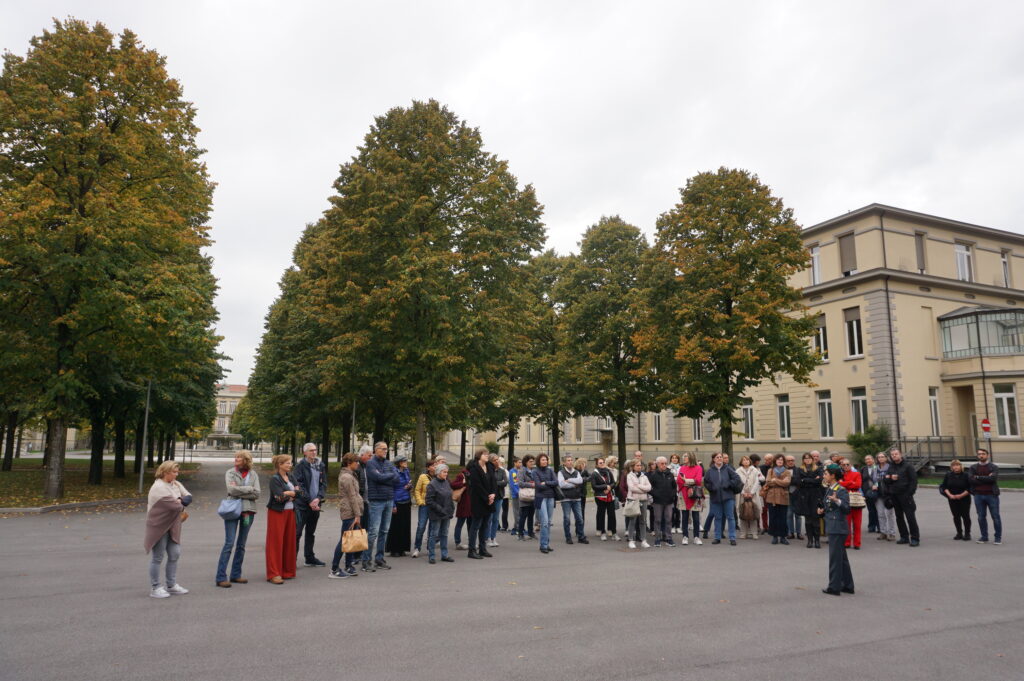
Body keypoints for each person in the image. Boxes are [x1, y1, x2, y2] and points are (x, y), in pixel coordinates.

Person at [145, 461, 191, 598]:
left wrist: (180, 500)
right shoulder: (158, 487)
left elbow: (188, 497)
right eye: (174, 472)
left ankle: (171, 585)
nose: (177, 474)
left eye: (177, 472)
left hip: (173, 524)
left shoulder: (175, 484)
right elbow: (175, 506)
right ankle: (155, 587)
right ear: (165, 472)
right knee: (158, 557)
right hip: (159, 526)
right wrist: (180, 501)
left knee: (174, 554)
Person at [216, 451, 260, 587]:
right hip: (232, 510)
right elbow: (231, 490)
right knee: (229, 543)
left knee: (241, 545)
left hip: (248, 511)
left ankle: (236, 575)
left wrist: (240, 490)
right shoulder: (230, 472)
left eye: (239, 457)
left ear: (246, 460)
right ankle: (221, 577)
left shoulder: (253, 474)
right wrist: (248, 489)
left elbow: (257, 493)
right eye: (236, 457)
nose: (236, 459)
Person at [819, 464, 854, 596]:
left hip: (837, 527)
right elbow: (829, 506)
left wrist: (837, 500)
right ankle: (848, 585)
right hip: (833, 526)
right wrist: (822, 510)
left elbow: (846, 508)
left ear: (833, 475)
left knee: (835, 559)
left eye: (826, 474)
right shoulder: (830, 488)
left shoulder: (841, 490)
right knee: (842, 558)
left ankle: (834, 587)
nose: (824, 476)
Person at [364, 441, 398, 570]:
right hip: (376, 501)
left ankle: (379, 558)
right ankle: (366, 560)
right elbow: (377, 478)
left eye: (386, 449)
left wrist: (384, 476)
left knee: (384, 531)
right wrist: (388, 476)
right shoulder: (371, 463)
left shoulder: (389, 463)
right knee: (373, 532)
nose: (385, 451)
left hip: (389, 499)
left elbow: (397, 479)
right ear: (376, 450)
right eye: (383, 449)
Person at [329, 453, 364, 579]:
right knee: (344, 540)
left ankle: (349, 565)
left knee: (351, 540)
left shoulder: (350, 475)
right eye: (356, 462)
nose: (358, 464)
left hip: (352, 511)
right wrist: (357, 514)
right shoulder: (347, 477)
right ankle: (334, 569)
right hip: (349, 512)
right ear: (349, 463)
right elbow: (352, 497)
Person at [265, 454, 299, 584]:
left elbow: (300, 493)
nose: (290, 465)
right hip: (277, 512)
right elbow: (278, 497)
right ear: (280, 465)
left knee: (289, 541)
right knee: (275, 543)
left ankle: (287, 571)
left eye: (290, 463)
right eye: (287, 463)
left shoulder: (291, 477)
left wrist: (288, 494)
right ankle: (274, 573)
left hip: (290, 512)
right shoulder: (275, 479)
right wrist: (290, 493)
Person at [293, 443, 326, 567]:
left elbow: (324, 484)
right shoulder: (300, 466)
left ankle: (309, 557)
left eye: (315, 450)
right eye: (311, 450)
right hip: (302, 505)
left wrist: (318, 498)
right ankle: (292, 560)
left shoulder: (320, 465)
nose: (314, 452)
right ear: (305, 452)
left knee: (311, 532)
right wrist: (309, 501)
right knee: (297, 533)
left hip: (315, 505)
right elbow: (298, 485)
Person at [703, 452, 741, 546]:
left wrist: (728, 484)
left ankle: (732, 538)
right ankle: (717, 537)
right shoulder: (710, 471)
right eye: (717, 457)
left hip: (728, 497)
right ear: (714, 459)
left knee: (730, 517)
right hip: (715, 498)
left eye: (721, 457)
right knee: (718, 518)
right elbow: (706, 482)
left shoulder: (728, 469)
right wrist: (711, 488)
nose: (719, 458)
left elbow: (737, 478)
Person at [466, 448, 497, 559]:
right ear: (479, 456)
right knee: (475, 526)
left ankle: (483, 549)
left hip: (489, 499)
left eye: (488, 454)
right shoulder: (474, 468)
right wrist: (487, 497)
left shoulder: (489, 466)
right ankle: (472, 550)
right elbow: (477, 485)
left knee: (485, 525)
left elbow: (494, 481)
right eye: (485, 454)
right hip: (478, 500)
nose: (487, 456)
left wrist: (493, 494)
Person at [885, 448, 920, 546]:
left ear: (900, 454)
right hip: (894, 495)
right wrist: (891, 478)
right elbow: (886, 480)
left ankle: (915, 538)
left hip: (906, 495)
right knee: (899, 517)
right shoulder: (891, 466)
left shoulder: (908, 466)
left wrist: (909, 494)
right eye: (892, 454)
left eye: (896, 454)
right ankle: (904, 537)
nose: (894, 456)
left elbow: (914, 481)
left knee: (910, 517)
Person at [969, 448, 1002, 545]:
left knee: (995, 517)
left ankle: (998, 537)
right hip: (978, 495)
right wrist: (986, 477)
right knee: (981, 517)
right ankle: (984, 536)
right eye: (979, 454)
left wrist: (978, 477)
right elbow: (971, 480)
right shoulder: (973, 467)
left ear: (987, 455)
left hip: (991, 495)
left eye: (983, 454)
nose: (981, 455)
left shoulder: (994, 467)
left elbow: (993, 479)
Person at [426, 463, 456, 564]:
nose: (446, 474)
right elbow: (429, 501)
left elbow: (449, 497)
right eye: (444, 472)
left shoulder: (446, 482)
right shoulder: (432, 484)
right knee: (434, 535)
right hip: (436, 514)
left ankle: (444, 555)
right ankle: (432, 556)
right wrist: (440, 509)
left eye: (447, 472)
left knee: (444, 534)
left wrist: (451, 509)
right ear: (438, 472)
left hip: (446, 513)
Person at [792, 453, 823, 549]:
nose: (808, 460)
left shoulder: (818, 468)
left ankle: (817, 540)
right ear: (803, 460)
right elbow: (797, 481)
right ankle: (810, 540)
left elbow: (820, 481)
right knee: (808, 519)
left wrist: (805, 480)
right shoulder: (799, 469)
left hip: (816, 496)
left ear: (812, 459)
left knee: (816, 518)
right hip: (804, 496)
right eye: (805, 458)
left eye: (809, 458)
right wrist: (812, 479)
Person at [386, 456, 412, 557]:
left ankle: (402, 548)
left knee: (405, 526)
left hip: (406, 500)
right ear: (399, 463)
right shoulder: (394, 473)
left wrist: (409, 486)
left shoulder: (406, 471)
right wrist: (393, 505)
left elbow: (408, 483)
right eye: (404, 461)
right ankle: (394, 549)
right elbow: (391, 489)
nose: (406, 462)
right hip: (397, 501)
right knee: (395, 526)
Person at [558, 455, 588, 545]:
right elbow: (562, 484)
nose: (570, 462)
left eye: (571, 460)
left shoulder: (576, 472)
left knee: (579, 519)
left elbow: (580, 481)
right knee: (567, 519)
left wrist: (569, 480)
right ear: (564, 463)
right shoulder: (561, 472)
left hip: (577, 498)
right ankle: (568, 537)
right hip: (566, 499)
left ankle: (581, 537)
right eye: (568, 460)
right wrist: (573, 484)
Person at [940, 459, 972, 541]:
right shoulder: (948, 475)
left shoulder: (966, 475)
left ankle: (967, 533)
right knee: (956, 516)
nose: (956, 467)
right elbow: (944, 486)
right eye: (953, 465)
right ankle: (959, 533)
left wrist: (961, 495)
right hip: (952, 499)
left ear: (961, 466)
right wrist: (950, 495)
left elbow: (970, 488)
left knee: (965, 516)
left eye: (957, 465)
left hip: (964, 498)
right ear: (951, 467)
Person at [649, 456, 678, 547]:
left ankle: (668, 538)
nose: (664, 465)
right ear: (657, 464)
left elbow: (674, 486)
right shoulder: (653, 475)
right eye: (662, 463)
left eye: (665, 463)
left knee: (669, 520)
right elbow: (649, 488)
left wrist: (672, 495)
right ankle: (657, 538)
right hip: (658, 501)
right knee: (658, 520)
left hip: (669, 501)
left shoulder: (670, 474)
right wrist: (656, 494)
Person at [533, 454, 559, 554]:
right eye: (543, 460)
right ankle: (543, 545)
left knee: (548, 522)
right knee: (544, 522)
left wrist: (546, 483)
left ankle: (547, 544)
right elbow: (539, 485)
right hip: (541, 498)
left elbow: (556, 482)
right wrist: (548, 483)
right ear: (538, 461)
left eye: (546, 460)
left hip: (551, 497)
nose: (545, 461)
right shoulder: (535, 471)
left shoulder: (550, 470)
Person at [763, 456, 792, 545]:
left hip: (783, 496)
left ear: (784, 461)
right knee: (773, 517)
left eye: (781, 460)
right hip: (772, 497)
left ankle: (783, 536)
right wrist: (780, 481)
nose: (780, 461)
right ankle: (774, 536)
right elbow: (768, 482)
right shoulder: (770, 470)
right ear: (775, 461)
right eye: (778, 459)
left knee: (783, 518)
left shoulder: (787, 471)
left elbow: (787, 483)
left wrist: (775, 480)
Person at [410, 458, 436, 558]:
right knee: (421, 526)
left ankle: (430, 548)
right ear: (428, 468)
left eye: (435, 465)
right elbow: (417, 490)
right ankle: (417, 548)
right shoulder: (423, 476)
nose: (435, 467)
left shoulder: (439, 476)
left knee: (432, 528)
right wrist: (420, 502)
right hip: (425, 505)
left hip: (434, 506)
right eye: (433, 465)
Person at [677, 452, 704, 545]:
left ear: (691, 458)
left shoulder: (698, 468)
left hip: (695, 494)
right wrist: (689, 481)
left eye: (686, 457)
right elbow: (679, 480)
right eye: (683, 456)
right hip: (683, 494)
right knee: (684, 516)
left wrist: (686, 480)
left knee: (696, 517)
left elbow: (698, 480)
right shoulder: (682, 468)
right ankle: (685, 536)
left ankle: (696, 537)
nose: (684, 458)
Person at [625, 458, 652, 549]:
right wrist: (643, 490)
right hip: (633, 500)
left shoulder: (644, 476)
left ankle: (643, 540)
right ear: (633, 466)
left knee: (643, 521)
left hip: (643, 500)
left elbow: (649, 487)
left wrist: (640, 486)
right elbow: (632, 488)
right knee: (632, 521)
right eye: (637, 465)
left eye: (640, 465)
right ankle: (631, 540)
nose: (639, 467)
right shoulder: (629, 476)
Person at [591, 457, 619, 541]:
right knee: (601, 515)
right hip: (600, 497)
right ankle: (602, 532)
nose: (602, 464)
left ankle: (614, 532)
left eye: (603, 462)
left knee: (612, 515)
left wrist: (610, 487)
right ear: (597, 464)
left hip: (610, 496)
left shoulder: (608, 471)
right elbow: (594, 486)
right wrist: (605, 487)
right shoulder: (594, 473)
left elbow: (614, 482)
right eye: (600, 463)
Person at [735, 455, 763, 539]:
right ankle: (743, 533)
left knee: (753, 513)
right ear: (741, 462)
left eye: (747, 460)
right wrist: (743, 492)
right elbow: (737, 482)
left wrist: (752, 492)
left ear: (749, 461)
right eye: (744, 460)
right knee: (743, 512)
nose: (746, 461)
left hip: (753, 495)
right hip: (742, 495)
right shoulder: (738, 471)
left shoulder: (755, 470)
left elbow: (757, 481)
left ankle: (754, 533)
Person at [839, 459, 865, 550]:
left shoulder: (857, 474)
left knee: (857, 524)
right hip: (845, 501)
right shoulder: (840, 475)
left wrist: (845, 483)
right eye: (843, 465)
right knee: (847, 523)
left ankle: (857, 543)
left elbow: (858, 485)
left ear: (850, 465)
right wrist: (851, 483)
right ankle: (847, 542)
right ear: (841, 466)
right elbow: (839, 485)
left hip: (856, 501)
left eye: (847, 464)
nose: (846, 466)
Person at [874, 451, 897, 541]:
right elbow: (874, 479)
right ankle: (883, 532)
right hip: (878, 493)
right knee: (880, 514)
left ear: (886, 458)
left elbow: (892, 478)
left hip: (888, 494)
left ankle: (891, 533)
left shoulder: (890, 467)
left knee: (889, 514)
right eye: (879, 457)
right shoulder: (875, 468)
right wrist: (874, 484)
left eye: (882, 457)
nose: (880, 458)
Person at [488, 456, 508, 547]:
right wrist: (499, 482)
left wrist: (496, 482)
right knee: (489, 518)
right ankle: (487, 538)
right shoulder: (488, 470)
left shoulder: (502, 470)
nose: (497, 461)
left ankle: (493, 537)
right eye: (495, 460)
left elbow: (505, 482)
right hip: (490, 496)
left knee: (496, 518)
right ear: (491, 461)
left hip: (499, 496)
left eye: (497, 460)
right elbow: (488, 482)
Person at [516, 455, 537, 541]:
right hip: (525, 496)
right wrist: (531, 484)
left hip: (533, 496)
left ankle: (530, 532)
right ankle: (520, 534)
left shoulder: (534, 471)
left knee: (531, 516)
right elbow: (520, 483)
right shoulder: (522, 471)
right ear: (526, 462)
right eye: (530, 462)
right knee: (523, 515)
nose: (532, 463)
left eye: (533, 461)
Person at [452, 466, 472, 550]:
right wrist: (463, 483)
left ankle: (471, 542)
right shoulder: (462, 475)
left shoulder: (474, 475)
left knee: (470, 525)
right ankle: (458, 542)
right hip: (463, 504)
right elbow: (452, 485)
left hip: (471, 504)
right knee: (460, 523)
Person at [785, 454, 803, 540]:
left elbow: (799, 481)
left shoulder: (799, 470)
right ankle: (790, 532)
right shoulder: (783, 470)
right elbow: (783, 482)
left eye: (792, 460)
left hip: (797, 495)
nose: (791, 462)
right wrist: (792, 480)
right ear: (786, 462)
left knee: (798, 515)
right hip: (787, 495)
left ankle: (799, 533)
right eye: (788, 460)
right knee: (789, 515)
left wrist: (790, 479)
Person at [861, 454, 880, 533]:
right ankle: (871, 526)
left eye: (869, 459)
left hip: (877, 491)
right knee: (871, 510)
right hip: (867, 492)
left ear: (873, 459)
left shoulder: (878, 468)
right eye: (866, 459)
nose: (867, 461)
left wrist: (876, 486)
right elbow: (861, 480)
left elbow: (880, 479)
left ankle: (880, 526)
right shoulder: (863, 469)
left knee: (878, 509)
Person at [758, 454, 774, 532]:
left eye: (768, 459)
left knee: (772, 510)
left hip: (773, 491)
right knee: (764, 510)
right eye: (765, 459)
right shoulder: (761, 467)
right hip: (764, 491)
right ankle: (765, 526)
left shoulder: (775, 468)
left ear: (772, 459)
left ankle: (772, 526)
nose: (766, 461)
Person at [508, 457, 522, 537]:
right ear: (515, 463)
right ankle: (517, 528)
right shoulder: (513, 472)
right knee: (517, 512)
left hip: (522, 494)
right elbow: (513, 484)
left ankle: (517, 527)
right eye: (519, 462)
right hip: (516, 495)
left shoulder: (520, 471)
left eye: (521, 462)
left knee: (520, 512)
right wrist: (518, 493)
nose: (520, 464)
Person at [574, 457, 590, 523]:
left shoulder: (585, 471)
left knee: (582, 509)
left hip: (583, 492)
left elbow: (590, 477)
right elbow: (576, 480)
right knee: (577, 509)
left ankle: (581, 523)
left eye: (585, 464)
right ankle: (578, 522)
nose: (585, 465)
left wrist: (583, 479)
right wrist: (582, 479)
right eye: (584, 463)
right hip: (576, 493)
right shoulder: (575, 471)